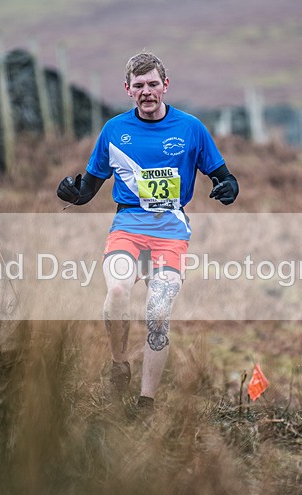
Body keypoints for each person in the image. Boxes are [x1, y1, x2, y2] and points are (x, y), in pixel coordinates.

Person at [57, 52, 239, 413]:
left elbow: (223, 176)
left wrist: (229, 188)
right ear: (127, 90)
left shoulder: (191, 128)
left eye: (153, 84)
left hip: (171, 232)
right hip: (127, 227)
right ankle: (119, 364)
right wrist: (74, 194)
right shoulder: (114, 131)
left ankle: (146, 401)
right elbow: (89, 187)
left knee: (157, 312)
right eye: (138, 86)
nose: (147, 92)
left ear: (165, 86)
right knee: (119, 291)